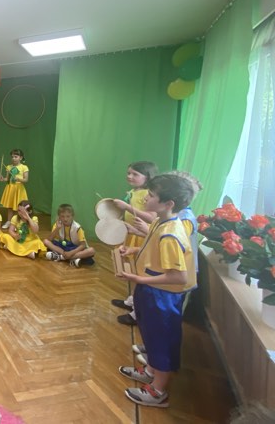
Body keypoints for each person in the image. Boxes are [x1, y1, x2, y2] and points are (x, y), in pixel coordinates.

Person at [116, 173, 199, 409]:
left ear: (168, 203)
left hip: (161, 295)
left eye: (151, 196)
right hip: (150, 289)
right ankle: (151, 370)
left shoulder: (171, 233)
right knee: (151, 336)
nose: (145, 199)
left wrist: (138, 278)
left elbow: (179, 276)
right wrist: (133, 251)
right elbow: (154, 248)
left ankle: (158, 390)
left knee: (161, 340)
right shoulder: (161, 222)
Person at [111, 161, 159, 326]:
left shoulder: (148, 194)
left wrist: (127, 207)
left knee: (140, 273)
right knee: (133, 269)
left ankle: (136, 313)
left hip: (142, 238)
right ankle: (132, 301)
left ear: (147, 177)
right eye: (128, 173)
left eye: (135, 174)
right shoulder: (134, 191)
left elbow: (151, 218)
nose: (129, 176)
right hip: (132, 235)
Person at [0, 148, 28, 228]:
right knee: (10, 207)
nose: (13, 158)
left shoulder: (24, 167)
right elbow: (7, 179)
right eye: (12, 157)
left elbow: (26, 179)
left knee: (18, 207)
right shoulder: (9, 167)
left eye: (16, 157)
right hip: (10, 188)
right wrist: (3, 179)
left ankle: (17, 223)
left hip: (19, 189)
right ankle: (9, 221)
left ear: (20, 158)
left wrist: (18, 179)